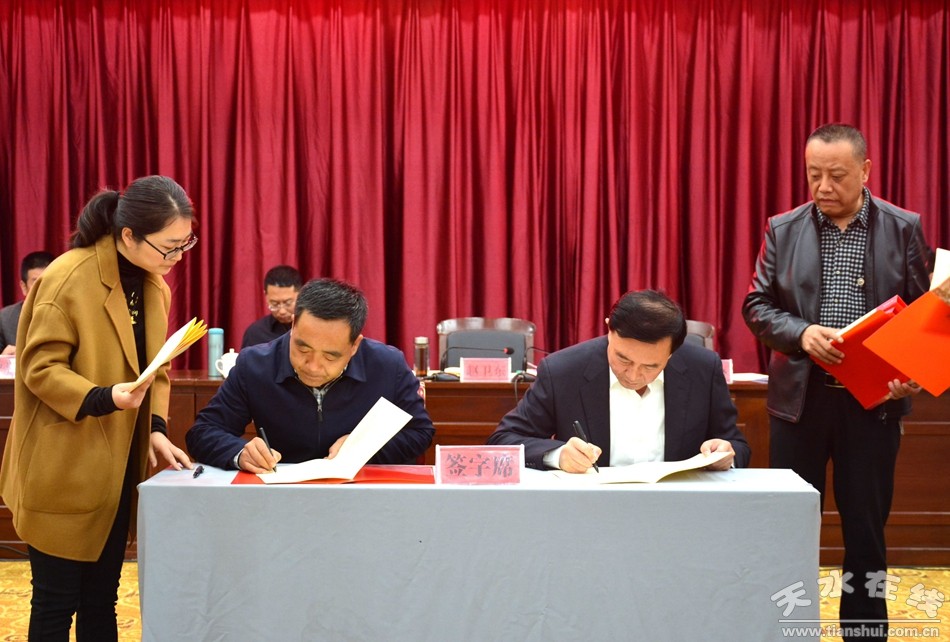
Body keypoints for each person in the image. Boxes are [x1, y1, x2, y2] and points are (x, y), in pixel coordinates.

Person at [743, 123, 933, 640]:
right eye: (814, 175)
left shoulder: (903, 228)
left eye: (837, 175)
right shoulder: (783, 229)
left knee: (866, 535)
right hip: (800, 405)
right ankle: (786, 631)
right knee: (789, 531)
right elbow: (756, 306)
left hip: (873, 406)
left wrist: (911, 374)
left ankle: (865, 634)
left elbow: (923, 318)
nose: (823, 186)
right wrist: (802, 333)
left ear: (865, 170)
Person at [0, 175, 196, 640]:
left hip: (117, 468)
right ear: (128, 235)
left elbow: (157, 369)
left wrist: (156, 427)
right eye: (169, 247)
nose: (177, 257)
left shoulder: (153, 286)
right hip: (64, 465)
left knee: (102, 599)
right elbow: (40, 368)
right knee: (55, 603)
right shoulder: (67, 277)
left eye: (185, 244)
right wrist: (104, 397)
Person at [487, 289, 750, 472]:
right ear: (609, 330)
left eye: (651, 366)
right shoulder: (563, 371)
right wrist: (558, 455)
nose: (633, 375)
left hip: (680, 505)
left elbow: (737, 445)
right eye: (623, 359)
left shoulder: (702, 369)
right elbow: (503, 439)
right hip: (591, 507)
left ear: (672, 353)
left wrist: (725, 454)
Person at [187, 278, 434, 472]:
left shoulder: (387, 365)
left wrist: (364, 447)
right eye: (303, 349)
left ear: (354, 346)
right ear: (294, 324)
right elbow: (203, 432)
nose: (313, 366)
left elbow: (419, 432)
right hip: (281, 494)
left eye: (330, 356)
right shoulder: (255, 365)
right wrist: (240, 453)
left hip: (361, 494)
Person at [0, 251, 56, 355]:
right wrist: (4, 360)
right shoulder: (5, 319)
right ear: (24, 287)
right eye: (36, 282)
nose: (42, 288)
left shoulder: (72, 315)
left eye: (48, 281)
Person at [241, 264, 303, 348]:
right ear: (266, 296)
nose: (282, 311)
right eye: (275, 304)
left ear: (301, 295)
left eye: (288, 303)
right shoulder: (255, 333)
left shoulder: (313, 327)